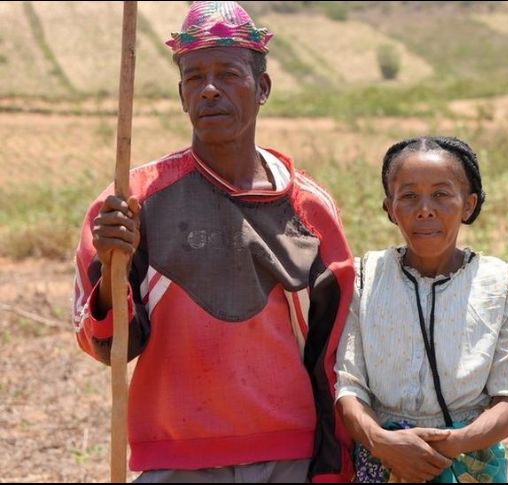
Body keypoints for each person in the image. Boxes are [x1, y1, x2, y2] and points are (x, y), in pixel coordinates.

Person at [72, 2, 353, 482]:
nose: (208, 89)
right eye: (194, 77)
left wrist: (333, 467)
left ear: (262, 88)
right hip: (171, 458)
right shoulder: (130, 203)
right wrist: (110, 269)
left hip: (289, 456)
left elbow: (335, 355)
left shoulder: (308, 210)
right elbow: (106, 345)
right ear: (181, 96)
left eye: (229, 74)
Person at [334, 136, 508, 483]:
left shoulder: (500, 283)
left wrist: (453, 442)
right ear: (390, 207)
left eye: (442, 194)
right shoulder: (364, 278)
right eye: (409, 196)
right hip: (383, 460)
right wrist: (383, 442)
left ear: (469, 205)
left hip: (469, 462)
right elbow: (349, 387)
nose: (425, 209)